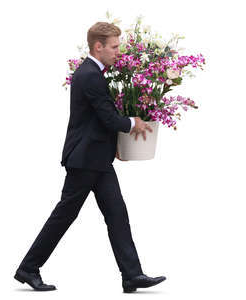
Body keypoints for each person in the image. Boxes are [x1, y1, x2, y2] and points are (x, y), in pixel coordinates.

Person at [14, 22, 166, 293]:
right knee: (64, 216)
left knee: (117, 214)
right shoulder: (89, 75)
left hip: (97, 159)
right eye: (115, 47)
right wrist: (134, 123)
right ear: (99, 46)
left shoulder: (92, 74)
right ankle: (28, 268)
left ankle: (132, 275)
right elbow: (108, 118)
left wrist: (116, 147)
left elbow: (96, 120)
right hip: (85, 160)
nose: (118, 52)